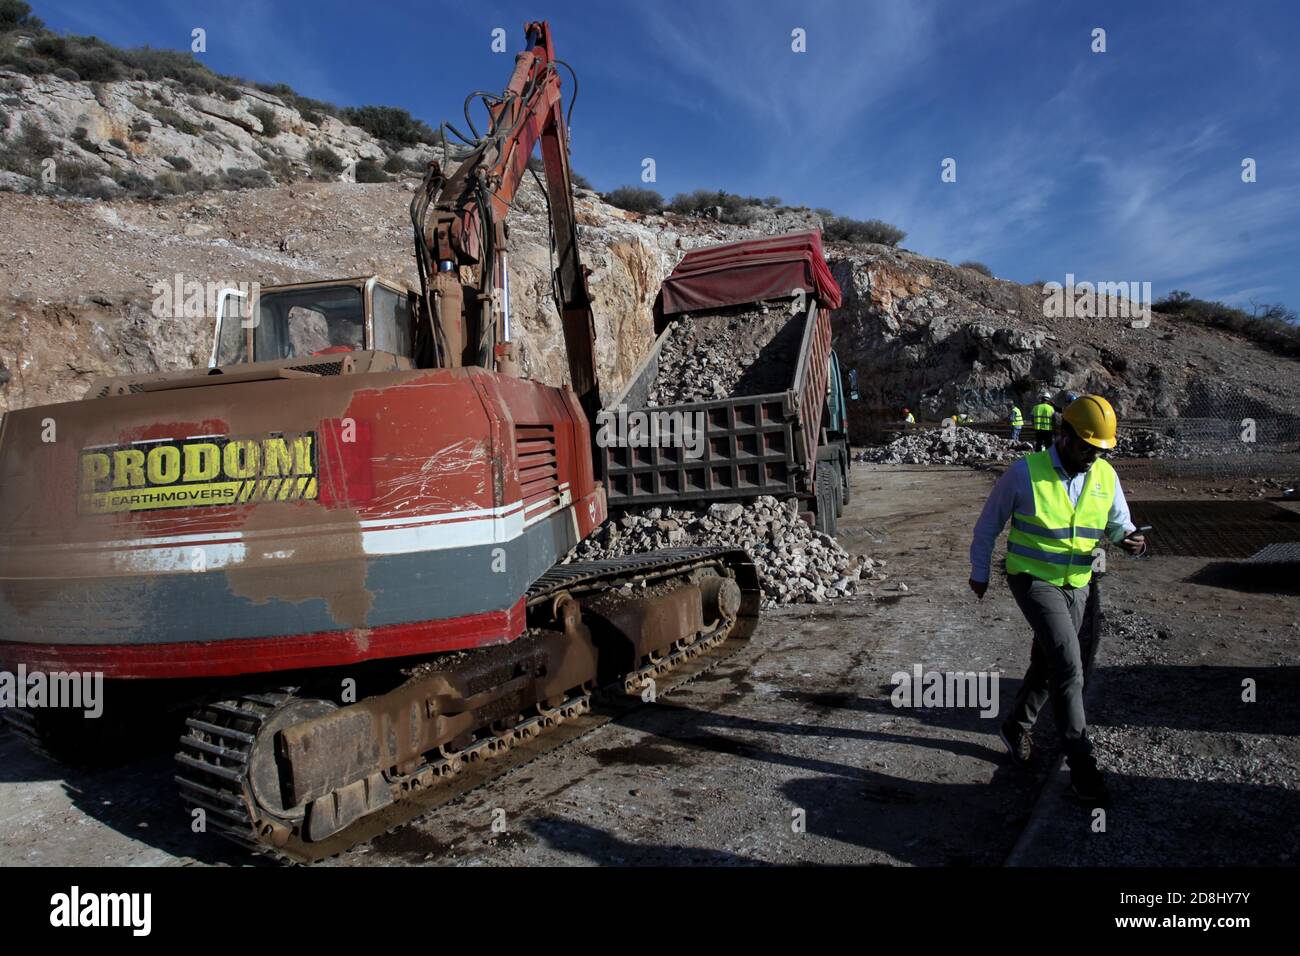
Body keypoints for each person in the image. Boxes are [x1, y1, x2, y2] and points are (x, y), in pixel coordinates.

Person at [969, 395, 1146, 807]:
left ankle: (1015, 726)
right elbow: (986, 527)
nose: (1093, 457)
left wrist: (1131, 542)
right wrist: (979, 573)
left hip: (1078, 582)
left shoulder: (1105, 476)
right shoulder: (1023, 474)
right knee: (1069, 663)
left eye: (1100, 450)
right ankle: (1082, 766)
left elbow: (1120, 526)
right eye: (1087, 448)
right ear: (1064, 436)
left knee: (1048, 660)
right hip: (1032, 580)